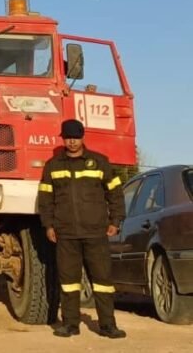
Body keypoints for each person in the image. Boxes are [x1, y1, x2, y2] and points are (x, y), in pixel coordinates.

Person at [38, 119, 126, 339]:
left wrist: (115, 221)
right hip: (65, 234)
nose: (72, 142)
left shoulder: (100, 163)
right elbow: (45, 199)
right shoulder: (53, 166)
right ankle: (70, 324)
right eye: (68, 138)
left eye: (75, 138)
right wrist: (48, 225)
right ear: (63, 139)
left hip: (96, 233)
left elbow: (115, 194)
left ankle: (107, 325)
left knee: (103, 281)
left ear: (82, 137)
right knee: (68, 283)